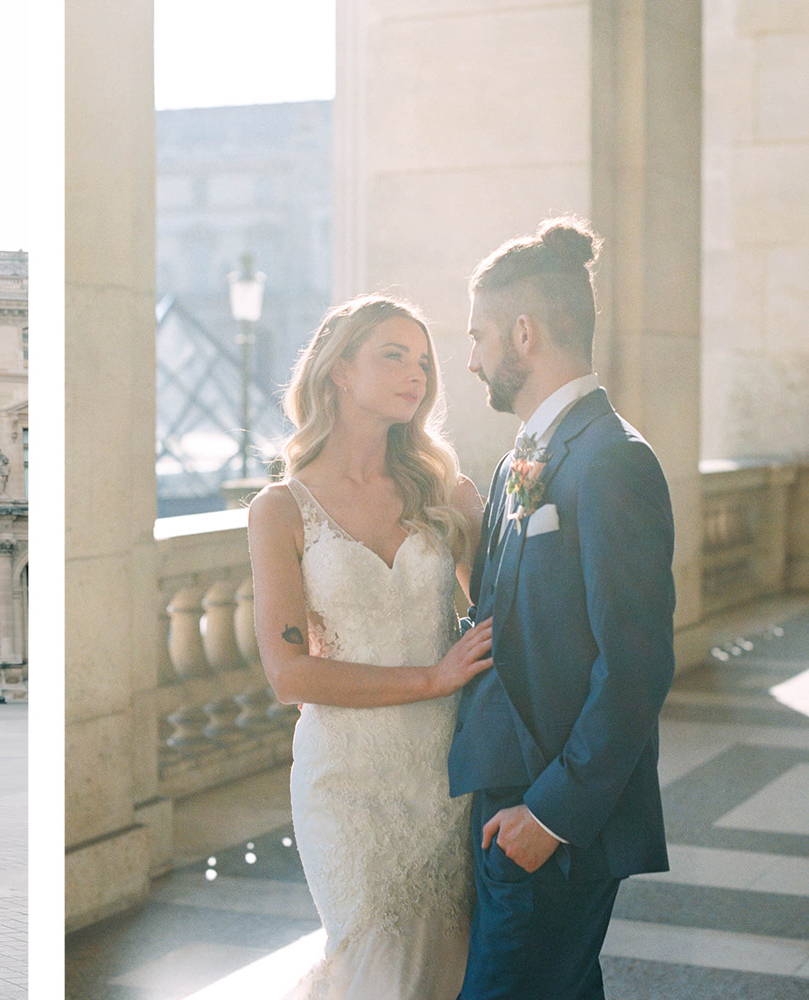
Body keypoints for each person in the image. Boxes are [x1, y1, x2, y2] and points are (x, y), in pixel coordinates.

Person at [450, 217, 675, 1000]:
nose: (469, 359)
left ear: (523, 333)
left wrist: (546, 818)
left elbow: (636, 665)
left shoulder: (612, 460)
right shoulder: (527, 457)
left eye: (476, 336)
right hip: (505, 799)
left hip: (555, 821)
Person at [246, 294, 493, 999]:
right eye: (393, 355)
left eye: (422, 360)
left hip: (441, 772)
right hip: (345, 783)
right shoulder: (279, 510)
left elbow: (503, 611)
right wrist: (430, 678)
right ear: (338, 372)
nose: (415, 373)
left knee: (440, 968)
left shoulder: (445, 492)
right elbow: (289, 675)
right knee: (374, 970)